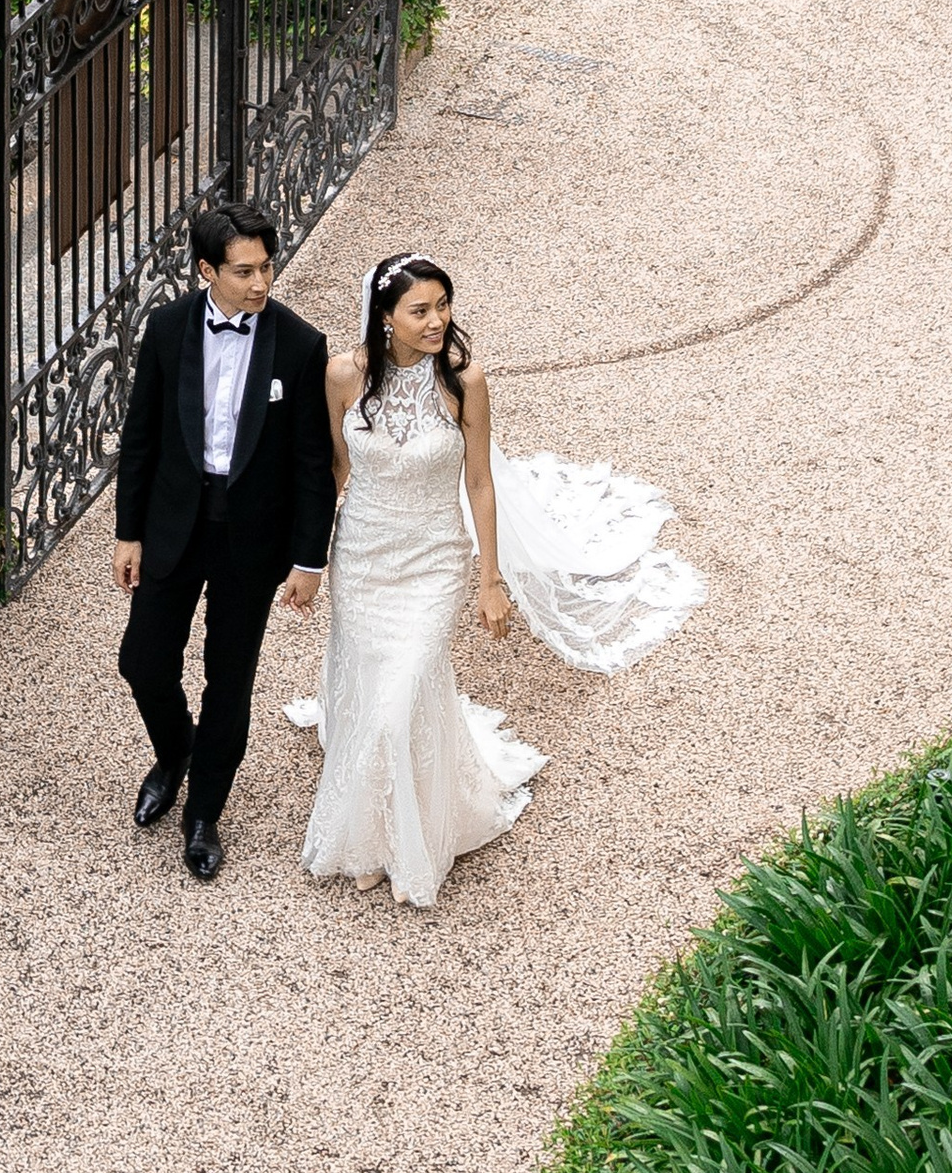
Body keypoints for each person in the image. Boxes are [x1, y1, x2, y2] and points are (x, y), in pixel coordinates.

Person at [294, 252, 707, 910]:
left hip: (432, 558)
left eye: (443, 306)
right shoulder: (343, 375)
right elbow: (338, 471)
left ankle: (415, 836)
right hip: (364, 556)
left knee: (400, 694)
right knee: (371, 695)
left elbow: (479, 482)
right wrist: (307, 559)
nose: (437, 321)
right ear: (385, 317)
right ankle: (369, 838)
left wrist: (490, 579)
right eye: (420, 310)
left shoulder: (463, 381)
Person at [112, 199, 335, 884]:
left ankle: (204, 812)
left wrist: (308, 558)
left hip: (251, 540)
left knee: (228, 679)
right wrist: (128, 532)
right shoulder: (168, 327)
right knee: (142, 662)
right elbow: (141, 437)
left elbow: (310, 463)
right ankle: (175, 752)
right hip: (172, 527)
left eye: (266, 266)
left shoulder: (300, 345)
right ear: (208, 269)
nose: (261, 283)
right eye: (245, 271)